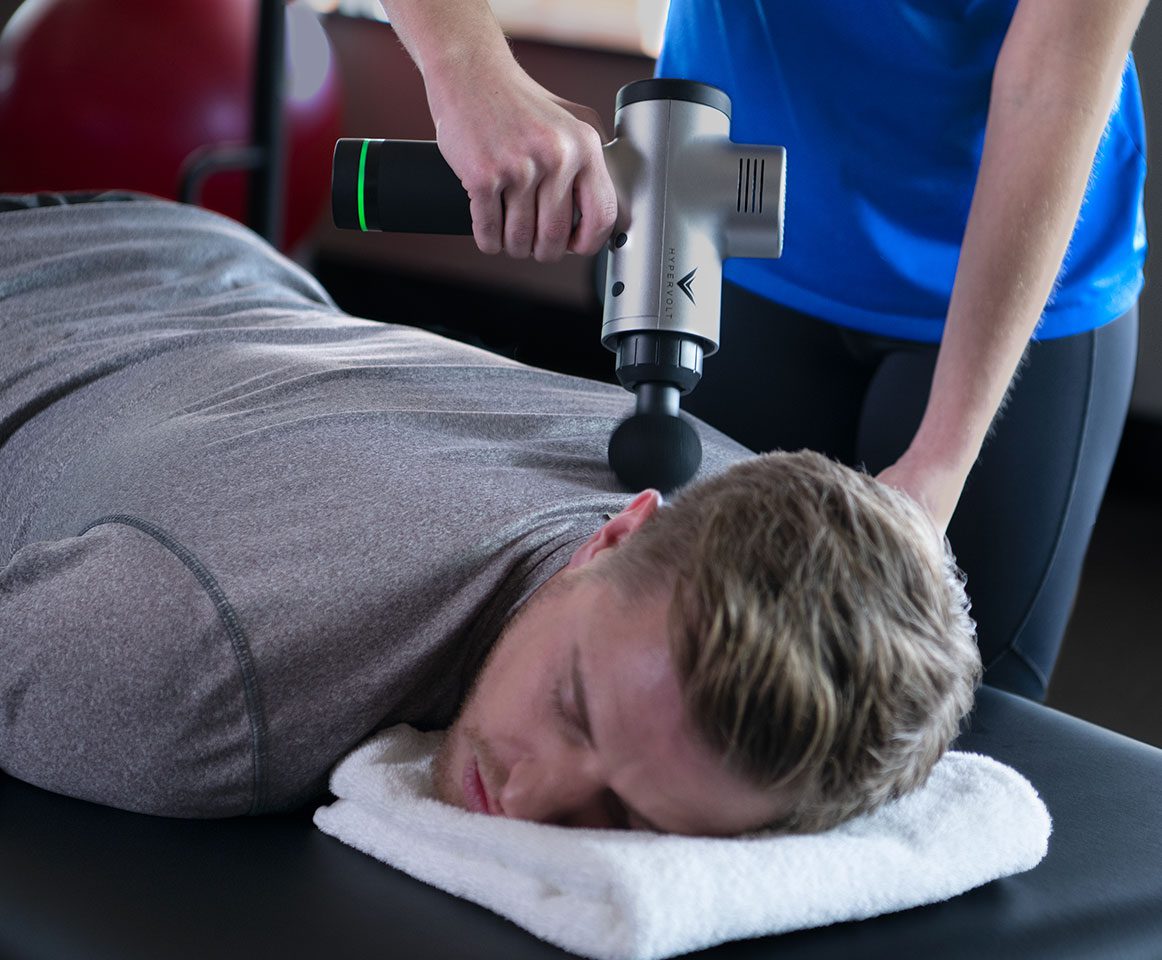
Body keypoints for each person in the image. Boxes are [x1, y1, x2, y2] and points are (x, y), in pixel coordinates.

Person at [0, 193, 978, 835]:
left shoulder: (731, 489)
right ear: (620, 531)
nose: (529, 798)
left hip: (212, 262)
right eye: (572, 705)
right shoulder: (186, 667)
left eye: (625, 818)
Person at [377, 0, 1150, 701]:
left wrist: (941, 463)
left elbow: (1050, 82)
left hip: (1009, 281)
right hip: (720, 234)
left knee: (962, 715)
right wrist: (466, 72)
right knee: (687, 678)